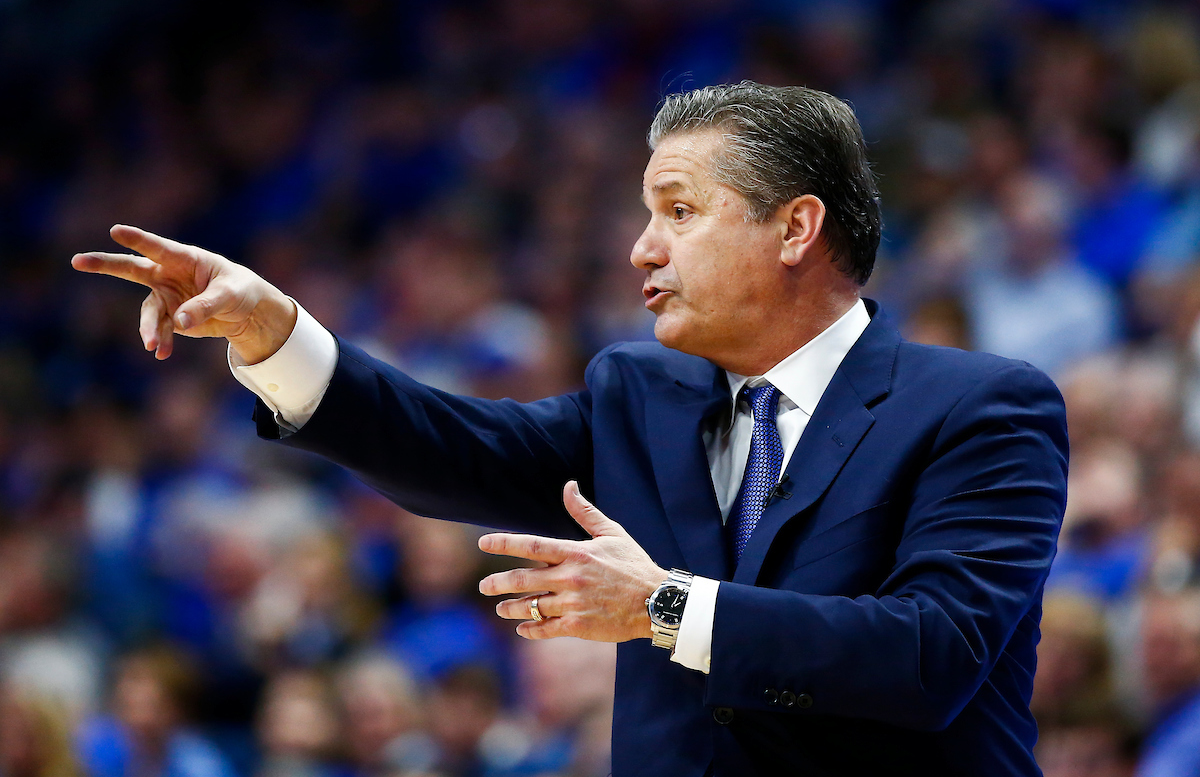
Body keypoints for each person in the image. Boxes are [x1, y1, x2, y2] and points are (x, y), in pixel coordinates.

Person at [72, 82, 1069, 777]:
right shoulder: (640, 392)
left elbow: (933, 654)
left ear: (796, 228)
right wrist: (271, 328)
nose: (641, 246)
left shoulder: (981, 406)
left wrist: (667, 609)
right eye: (646, 212)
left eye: (678, 210)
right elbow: (451, 449)